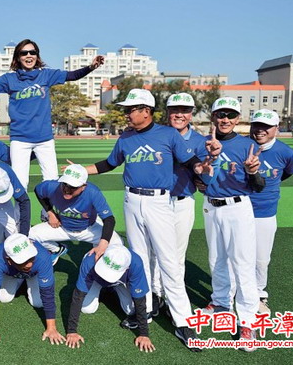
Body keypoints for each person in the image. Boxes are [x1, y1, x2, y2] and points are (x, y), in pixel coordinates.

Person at [74, 89, 219, 351]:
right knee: (138, 259)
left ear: (146, 111)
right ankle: (146, 312)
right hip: (131, 201)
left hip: (158, 202)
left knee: (168, 262)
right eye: (127, 109)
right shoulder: (126, 137)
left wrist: (203, 168)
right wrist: (82, 170)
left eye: (132, 109)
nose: (127, 113)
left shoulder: (168, 134)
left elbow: (191, 162)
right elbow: (109, 164)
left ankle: (183, 322)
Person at [0, 38, 104, 191]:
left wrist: (91, 67)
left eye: (33, 52)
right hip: (20, 140)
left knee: (51, 182)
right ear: (18, 57)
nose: (29, 55)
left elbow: (73, 75)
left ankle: (47, 214)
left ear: (37, 56)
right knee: (19, 184)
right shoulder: (9, 79)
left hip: (44, 139)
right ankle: (19, 215)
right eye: (24, 53)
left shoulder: (46, 75)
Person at [201, 97, 265, 351]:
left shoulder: (248, 146)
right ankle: (220, 302)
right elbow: (200, 178)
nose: (225, 120)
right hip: (210, 205)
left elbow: (259, 187)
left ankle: (248, 322)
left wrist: (252, 172)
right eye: (220, 114)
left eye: (230, 115)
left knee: (243, 264)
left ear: (238, 119)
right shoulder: (203, 143)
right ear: (213, 117)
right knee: (216, 259)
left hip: (238, 207)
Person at [149, 93, 217, 315]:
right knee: (152, 253)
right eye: (175, 109)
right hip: (154, 201)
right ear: (167, 112)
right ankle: (155, 295)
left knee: (176, 255)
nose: (179, 114)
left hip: (181, 202)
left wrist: (207, 171)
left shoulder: (201, 141)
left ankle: (172, 299)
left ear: (191, 114)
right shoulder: (155, 134)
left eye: (185, 110)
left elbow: (206, 179)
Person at [248, 109, 293, 314]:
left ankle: (259, 293)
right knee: (231, 255)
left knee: (261, 258)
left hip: (265, 211)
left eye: (266, 127)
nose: (260, 130)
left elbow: (288, 172)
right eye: (256, 125)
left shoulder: (285, 152)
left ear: (276, 128)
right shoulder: (243, 146)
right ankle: (230, 293)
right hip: (239, 209)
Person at [0, 233, 65, 346]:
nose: (29, 264)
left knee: (38, 303)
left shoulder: (43, 256)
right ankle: (20, 280)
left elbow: (48, 293)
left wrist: (52, 328)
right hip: (11, 274)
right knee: (4, 298)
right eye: (23, 261)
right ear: (9, 260)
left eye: (31, 258)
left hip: (34, 275)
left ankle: (25, 280)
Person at [65, 245, 155, 352]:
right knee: (87, 308)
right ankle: (102, 291)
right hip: (95, 281)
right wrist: (72, 331)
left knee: (132, 310)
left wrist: (144, 334)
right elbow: (78, 297)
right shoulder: (90, 260)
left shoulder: (136, 264)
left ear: (127, 268)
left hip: (119, 283)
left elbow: (140, 300)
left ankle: (110, 291)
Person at [28, 163, 123, 266]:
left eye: (73, 187)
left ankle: (102, 269)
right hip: (62, 228)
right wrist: (50, 212)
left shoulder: (92, 192)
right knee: (28, 235)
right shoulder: (53, 186)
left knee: (117, 243)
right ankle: (56, 249)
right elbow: (38, 190)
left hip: (89, 229)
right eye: (64, 184)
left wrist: (103, 244)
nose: (67, 189)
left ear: (83, 186)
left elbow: (109, 219)